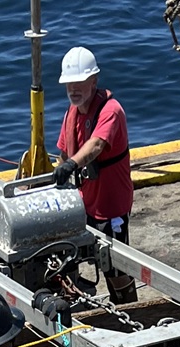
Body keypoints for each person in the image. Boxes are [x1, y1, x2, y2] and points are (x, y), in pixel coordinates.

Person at [54, 45, 136, 304]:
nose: (73, 89)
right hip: (83, 201)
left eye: (79, 83)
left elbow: (97, 144)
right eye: (69, 84)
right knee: (63, 256)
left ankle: (129, 308)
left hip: (110, 205)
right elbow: (63, 154)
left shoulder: (111, 111)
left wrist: (71, 165)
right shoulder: (71, 114)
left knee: (115, 266)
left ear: (93, 81)